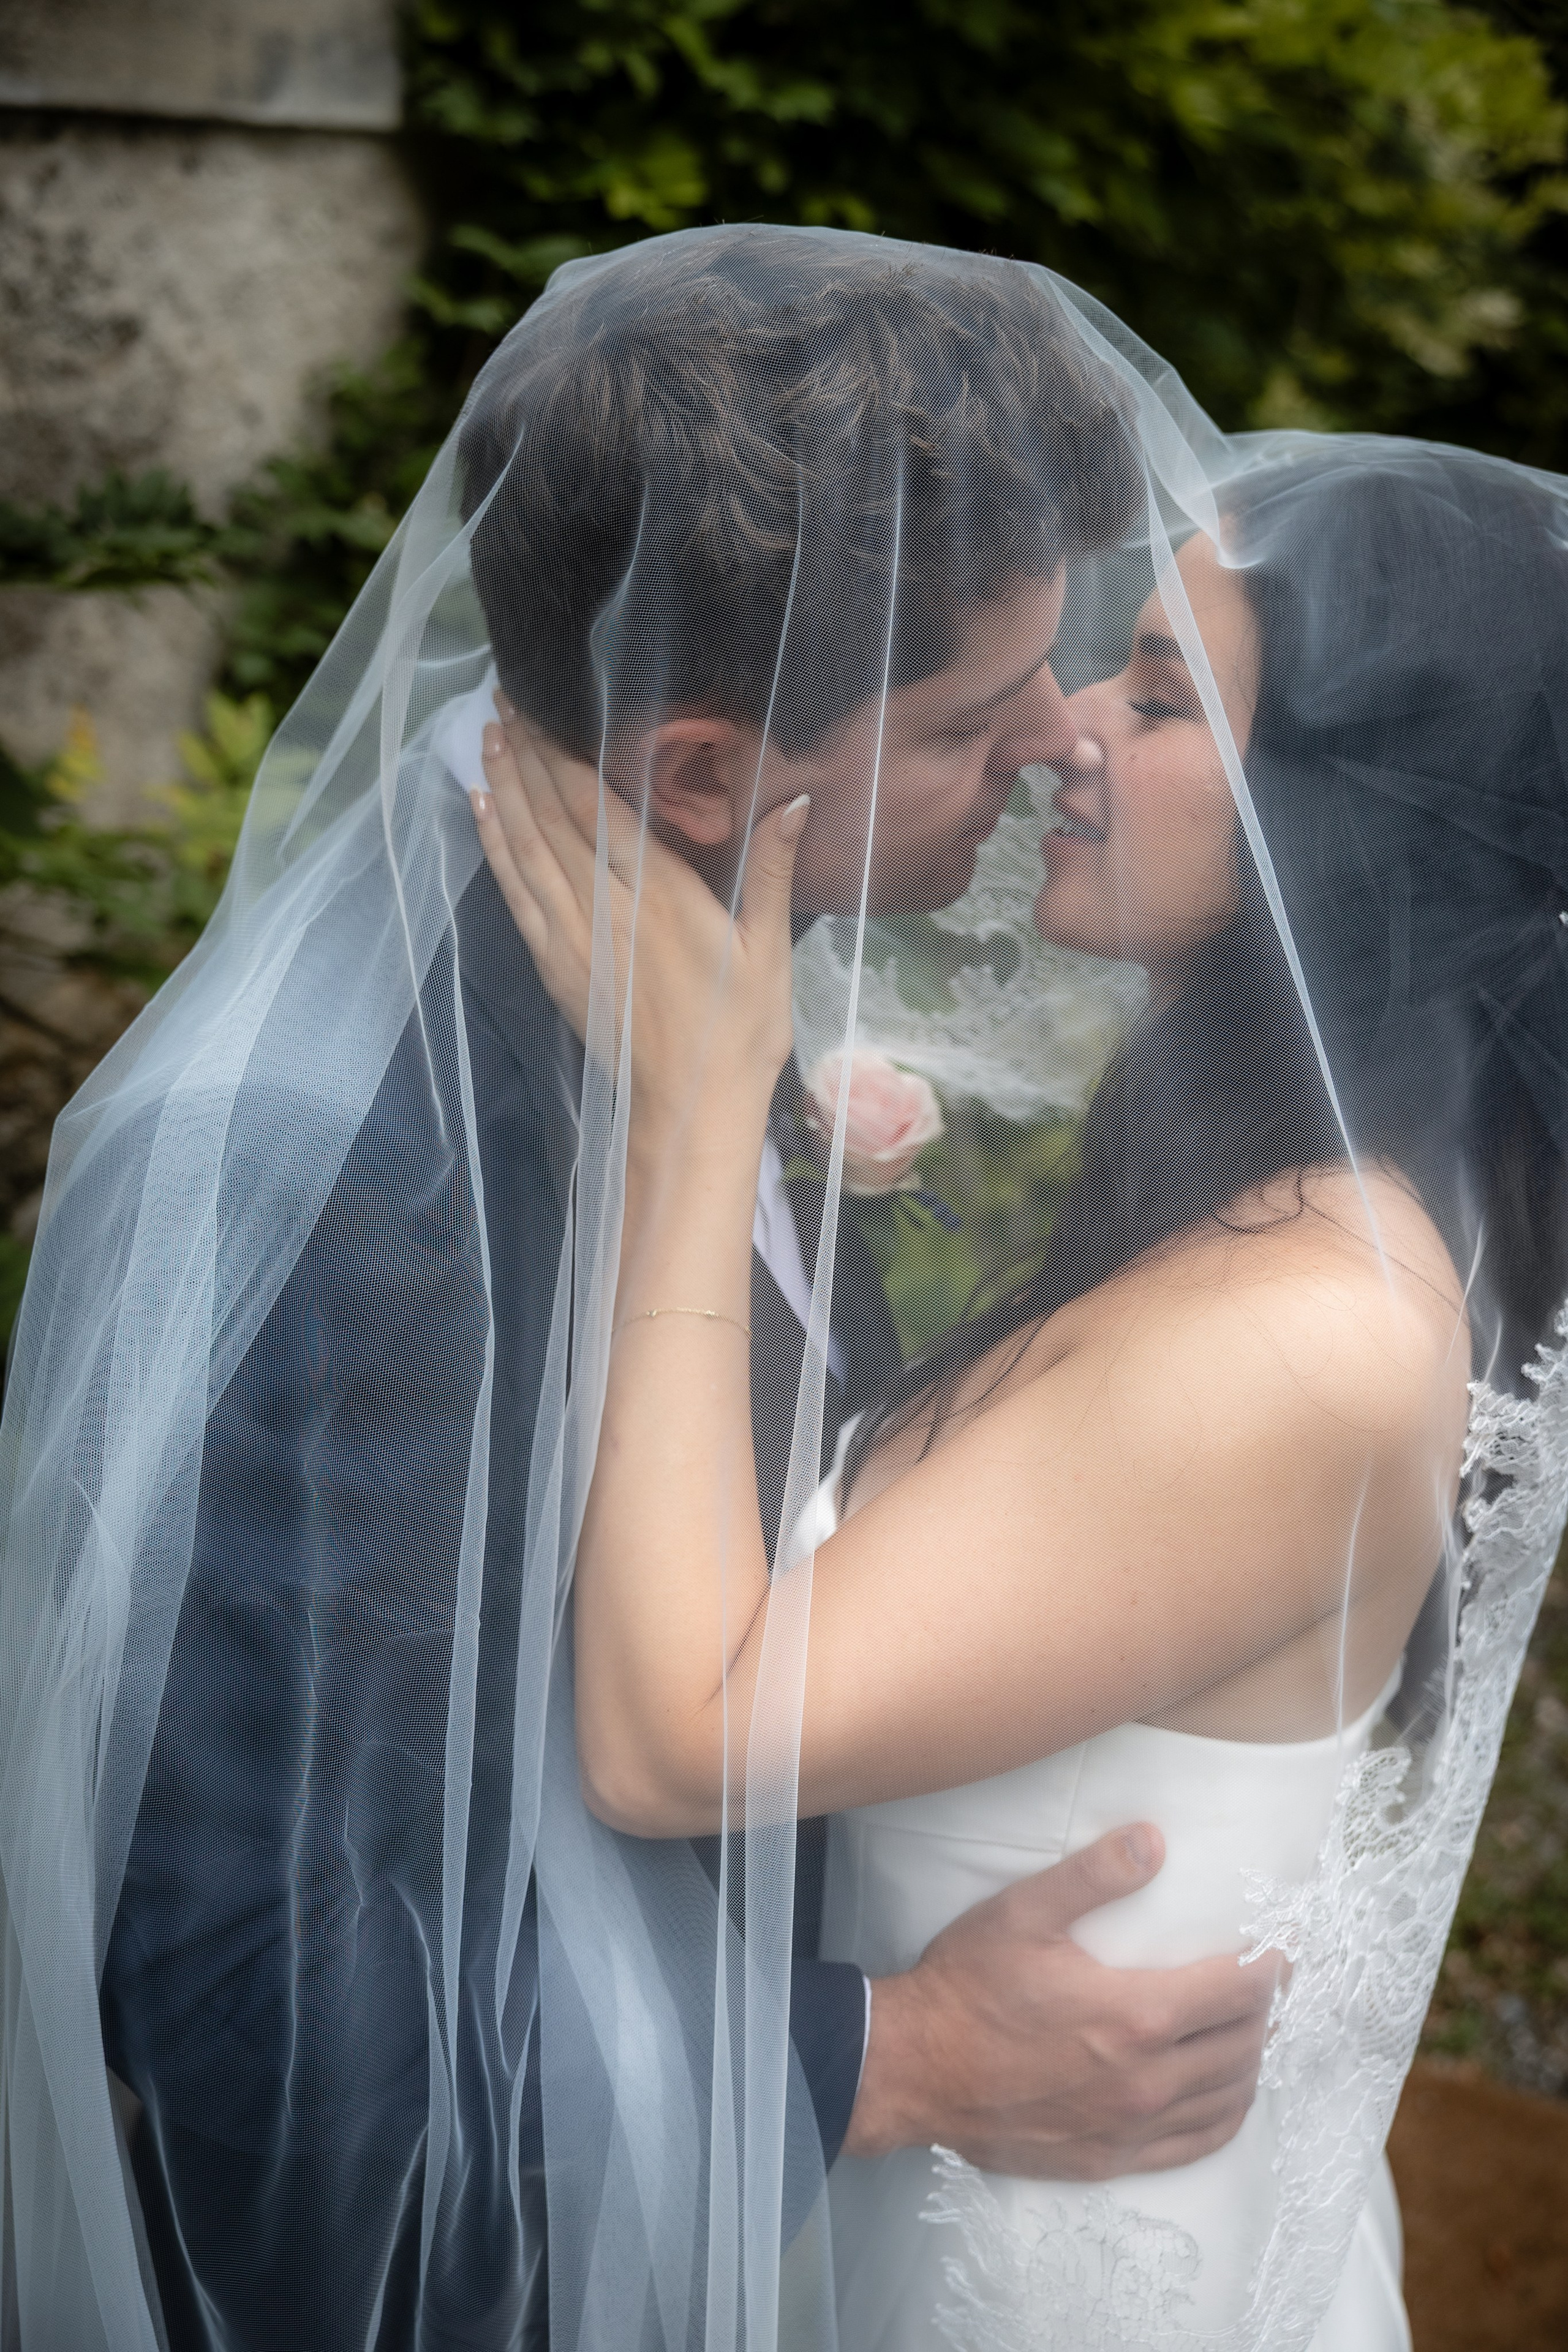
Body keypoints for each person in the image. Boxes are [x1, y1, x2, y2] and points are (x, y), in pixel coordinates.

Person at [12, 230, 1270, 2352]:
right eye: (978, 712)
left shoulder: (676, 963)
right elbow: (266, 2011)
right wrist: (891, 2058)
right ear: (703, 775)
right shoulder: (358, 1190)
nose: (1062, 742)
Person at [470, 426, 1568, 2348]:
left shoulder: (1302, 1330)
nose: (1068, 726)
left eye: (1156, 697)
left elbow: (674, 1740)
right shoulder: (1257, 1227)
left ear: (1338, 814)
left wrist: (699, 1119)